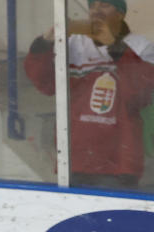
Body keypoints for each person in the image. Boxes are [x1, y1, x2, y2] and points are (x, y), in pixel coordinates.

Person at [24, 0, 154, 189]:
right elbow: (46, 85)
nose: (96, 11)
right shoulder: (73, 42)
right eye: (92, 6)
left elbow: (141, 93)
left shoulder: (141, 46)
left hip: (118, 159)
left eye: (104, 5)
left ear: (120, 13)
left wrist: (115, 47)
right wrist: (44, 44)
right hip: (76, 156)